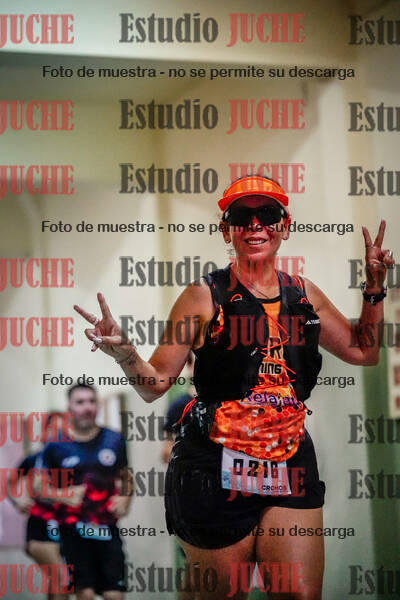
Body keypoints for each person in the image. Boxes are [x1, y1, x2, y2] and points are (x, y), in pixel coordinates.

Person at [74, 175, 394, 600]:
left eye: (268, 214)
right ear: (227, 230)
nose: (255, 224)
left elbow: (364, 351)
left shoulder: (304, 294)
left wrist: (374, 288)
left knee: (298, 594)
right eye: (242, 216)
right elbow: (154, 385)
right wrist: (125, 353)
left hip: (288, 458)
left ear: (284, 226)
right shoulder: (203, 296)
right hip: (214, 464)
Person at [38, 383, 132, 600]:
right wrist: (63, 496)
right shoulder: (55, 445)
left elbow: (127, 477)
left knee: (114, 595)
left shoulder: (114, 439)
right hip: (72, 531)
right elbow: (38, 489)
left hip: (107, 528)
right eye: (80, 402)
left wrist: (126, 498)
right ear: (69, 408)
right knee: (85, 594)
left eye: (92, 401)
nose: (87, 407)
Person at [8, 448, 67, 600]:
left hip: (67, 526)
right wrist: (18, 502)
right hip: (40, 528)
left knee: (56, 581)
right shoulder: (34, 459)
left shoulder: (73, 455)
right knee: (61, 579)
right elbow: (9, 482)